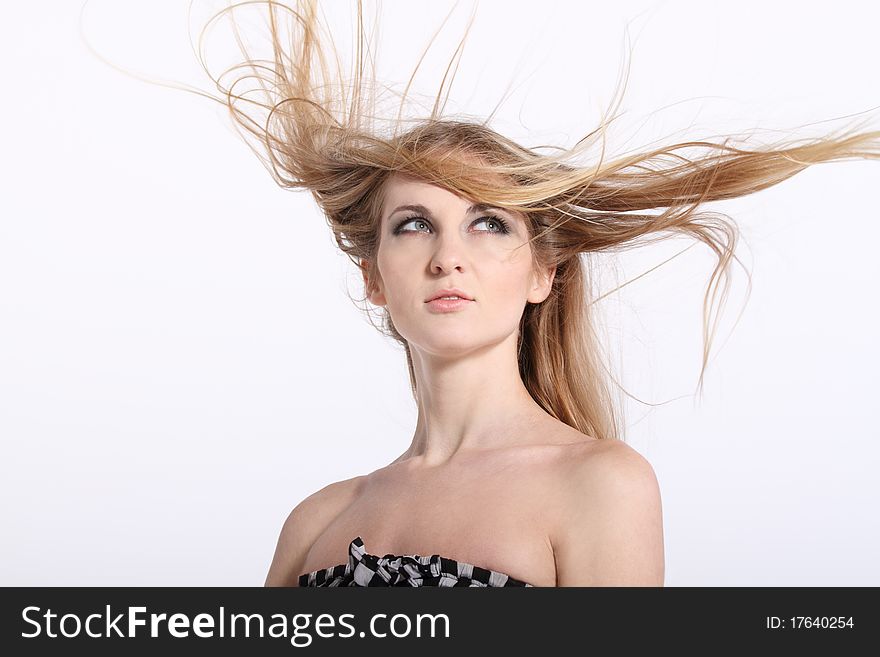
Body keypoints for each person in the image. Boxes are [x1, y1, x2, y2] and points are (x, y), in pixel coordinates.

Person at [154, 0, 878, 586]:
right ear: (373, 274)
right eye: (413, 226)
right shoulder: (314, 522)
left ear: (542, 273)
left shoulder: (600, 486)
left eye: (488, 223)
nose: (448, 258)